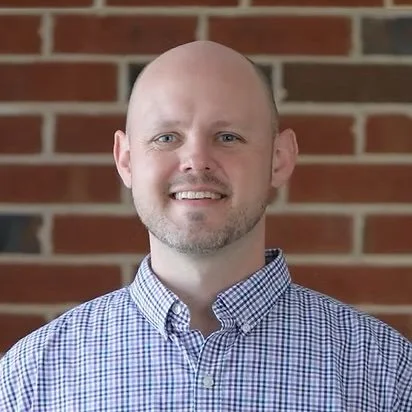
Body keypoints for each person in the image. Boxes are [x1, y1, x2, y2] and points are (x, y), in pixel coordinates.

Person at [0, 40, 411, 411]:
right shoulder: (32, 379)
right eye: (166, 138)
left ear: (280, 158)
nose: (196, 160)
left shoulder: (385, 374)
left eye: (228, 137)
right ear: (125, 159)